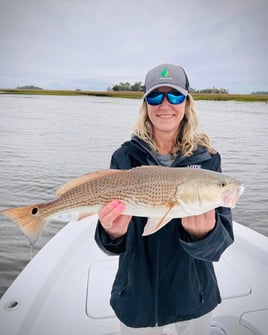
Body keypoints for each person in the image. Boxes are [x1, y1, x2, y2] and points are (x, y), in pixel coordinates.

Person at [95, 63, 233, 335]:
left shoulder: (208, 160)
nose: (165, 105)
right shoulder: (124, 158)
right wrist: (111, 231)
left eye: (175, 96)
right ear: (146, 104)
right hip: (137, 297)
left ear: (187, 102)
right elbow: (113, 244)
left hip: (195, 295)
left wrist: (204, 235)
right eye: (156, 96)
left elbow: (220, 244)